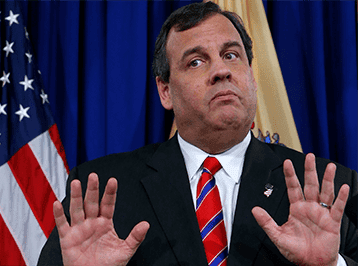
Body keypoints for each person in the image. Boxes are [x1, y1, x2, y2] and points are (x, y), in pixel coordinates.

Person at [38, 2, 358, 265]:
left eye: (232, 55)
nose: (221, 70)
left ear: (252, 75)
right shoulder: (103, 190)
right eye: (196, 62)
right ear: (165, 91)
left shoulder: (329, 190)